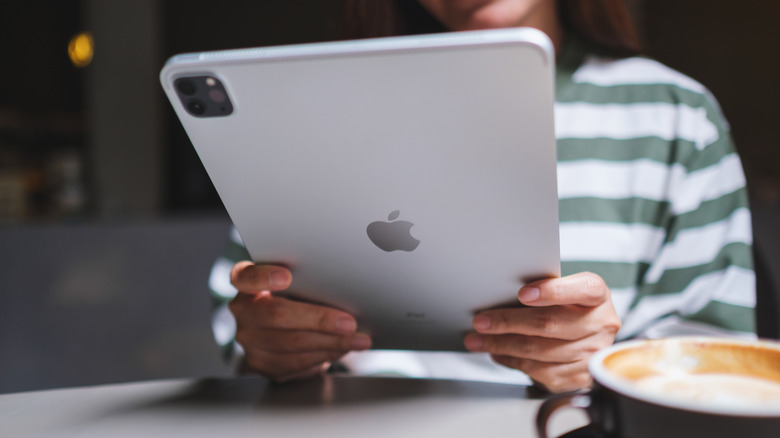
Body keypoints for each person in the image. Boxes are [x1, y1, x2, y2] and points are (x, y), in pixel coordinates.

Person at [208, 0, 755, 393]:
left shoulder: (675, 115)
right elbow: (246, 313)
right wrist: (272, 348)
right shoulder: (303, 109)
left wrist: (600, 368)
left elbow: (710, 367)